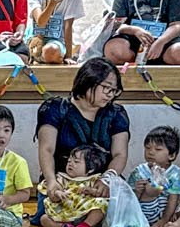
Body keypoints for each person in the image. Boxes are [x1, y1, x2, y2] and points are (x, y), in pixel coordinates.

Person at [34, 56, 131, 199]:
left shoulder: (116, 113)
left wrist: (107, 179)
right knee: (54, 216)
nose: (109, 95)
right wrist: (51, 181)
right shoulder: (55, 109)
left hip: (101, 182)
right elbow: (46, 150)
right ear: (88, 82)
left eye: (114, 90)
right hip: (62, 181)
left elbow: (120, 154)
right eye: (106, 88)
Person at [30, 143, 111, 227]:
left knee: (102, 205)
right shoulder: (62, 177)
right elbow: (55, 189)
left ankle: (86, 226)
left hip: (85, 213)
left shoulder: (95, 179)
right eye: (69, 161)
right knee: (44, 219)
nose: (70, 163)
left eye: (76, 161)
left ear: (91, 169)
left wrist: (92, 191)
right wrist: (58, 193)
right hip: (64, 212)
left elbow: (102, 194)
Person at [130, 126, 180, 227]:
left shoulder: (174, 172)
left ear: (171, 155)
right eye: (147, 148)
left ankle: (176, 225)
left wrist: (165, 219)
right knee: (151, 187)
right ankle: (157, 185)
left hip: (168, 211)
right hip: (145, 211)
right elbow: (131, 200)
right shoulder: (140, 171)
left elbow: (174, 197)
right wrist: (137, 190)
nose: (151, 152)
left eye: (158, 149)